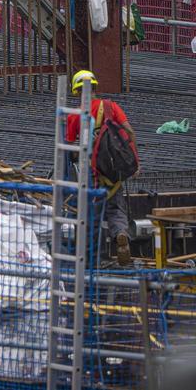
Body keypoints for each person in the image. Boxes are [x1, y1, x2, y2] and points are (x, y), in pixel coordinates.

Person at [65, 69, 136, 266]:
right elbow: (129, 133)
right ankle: (121, 233)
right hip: (114, 172)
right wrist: (133, 163)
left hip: (92, 174)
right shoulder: (111, 106)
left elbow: (70, 149)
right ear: (95, 87)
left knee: (90, 215)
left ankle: (91, 260)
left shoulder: (74, 116)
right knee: (116, 209)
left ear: (76, 90)